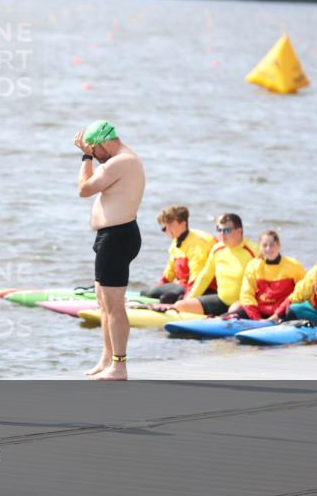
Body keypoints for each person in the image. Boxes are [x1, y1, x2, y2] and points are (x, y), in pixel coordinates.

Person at [74, 120, 146, 381]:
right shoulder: (121, 160)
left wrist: (84, 157)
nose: (94, 155)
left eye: (94, 150)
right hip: (111, 236)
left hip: (118, 236)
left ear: (104, 142)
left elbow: (84, 189)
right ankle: (106, 359)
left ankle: (119, 365)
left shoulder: (120, 162)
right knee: (103, 302)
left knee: (114, 305)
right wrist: (90, 154)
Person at [170, 213, 258, 317]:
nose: (222, 234)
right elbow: (205, 277)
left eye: (227, 230)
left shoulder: (254, 251)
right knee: (180, 306)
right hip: (221, 300)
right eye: (219, 230)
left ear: (239, 231)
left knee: (234, 309)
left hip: (243, 303)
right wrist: (189, 298)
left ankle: (222, 320)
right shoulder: (217, 249)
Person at [143, 205, 216, 303]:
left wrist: (188, 300)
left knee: (164, 298)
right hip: (184, 285)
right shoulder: (176, 241)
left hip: (206, 289)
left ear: (183, 224)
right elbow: (170, 272)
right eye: (164, 228)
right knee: (147, 293)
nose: (167, 231)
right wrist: (159, 286)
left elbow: (197, 277)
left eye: (171, 226)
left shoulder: (197, 244)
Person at [228, 230, 306, 320]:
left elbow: (302, 293)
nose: (268, 249)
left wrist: (276, 315)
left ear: (279, 245)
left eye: (272, 245)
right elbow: (246, 295)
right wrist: (257, 319)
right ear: (260, 247)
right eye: (264, 245)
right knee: (234, 308)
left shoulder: (294, 266)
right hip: (260, 312)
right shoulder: (253, 266)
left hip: (283, 313)